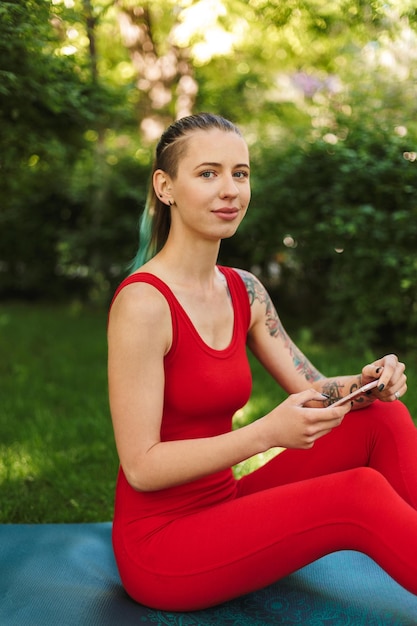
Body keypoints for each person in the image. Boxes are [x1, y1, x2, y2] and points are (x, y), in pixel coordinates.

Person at [107, 112, 417, 612]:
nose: (230, 189)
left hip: (224, 505)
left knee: (383, 417)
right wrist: (265, 433)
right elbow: (141, 467)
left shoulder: (244, 290)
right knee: (356, 495)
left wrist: (366, 382)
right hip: (163, 546)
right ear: (165, 187)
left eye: (241, 173)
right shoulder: (143, 304)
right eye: (208, 173)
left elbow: (313, 386)